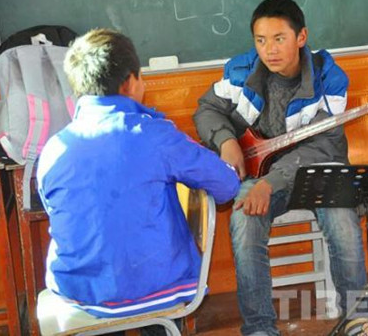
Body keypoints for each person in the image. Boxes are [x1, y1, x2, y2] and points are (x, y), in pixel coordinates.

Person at [193, 0, 368, 336]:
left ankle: (358, 320)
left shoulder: (329, 79)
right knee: (245, 217)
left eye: (279, 39)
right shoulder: (242, 72)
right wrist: (225, 140)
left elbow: (325, 146)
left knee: (342, 218)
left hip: (317, 175)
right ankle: (260, 328)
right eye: (261, 40)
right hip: (260, 179)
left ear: (301, 37)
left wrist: (271, 182)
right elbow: (206, 110)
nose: (269, 50)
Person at [37, 28, 240, 320]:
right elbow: (227, 185)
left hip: (79, 294)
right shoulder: (154, 134)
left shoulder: (54, 148)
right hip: (156, 291)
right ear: (131, 82)